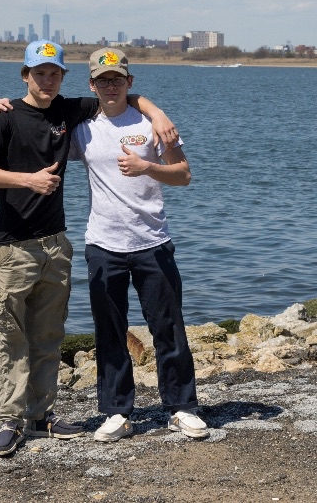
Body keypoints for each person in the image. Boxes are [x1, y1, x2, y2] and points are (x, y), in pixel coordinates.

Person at [0, 40, 177, 458]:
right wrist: (28, 180)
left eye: (54, 73)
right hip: (13, 246)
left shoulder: (69, 111)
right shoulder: (3, 116)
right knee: (10, 336)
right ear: (25, 76)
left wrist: (157, 113)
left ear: (63, 77)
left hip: (56, 244)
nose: (47, 80)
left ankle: (41, 416)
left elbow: (122, 94)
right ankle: (9, 419)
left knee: (48, 334)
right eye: (39, 73)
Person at [71, 48, 208, 442]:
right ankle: (117, 413)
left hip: (153, 242)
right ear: (92, 85)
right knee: (109, 331)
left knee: (168, 328)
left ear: (129, 81)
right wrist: (2, 108)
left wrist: (148, 166)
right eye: (103, 80)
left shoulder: (152, 124)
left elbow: (183, 175)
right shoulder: (82, 127)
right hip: (103, 244)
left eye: (117, 79)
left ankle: (181, 407)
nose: (110, 86)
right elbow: (36, 121)